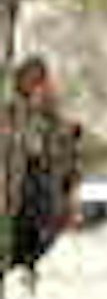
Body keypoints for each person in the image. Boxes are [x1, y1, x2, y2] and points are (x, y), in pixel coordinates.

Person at [3, 55, 87, 283]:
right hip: (27, 217)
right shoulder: (16, 118)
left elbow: (71, 168)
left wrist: (71, 196)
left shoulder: (55, 126)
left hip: (33, 219)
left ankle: (27, 258)